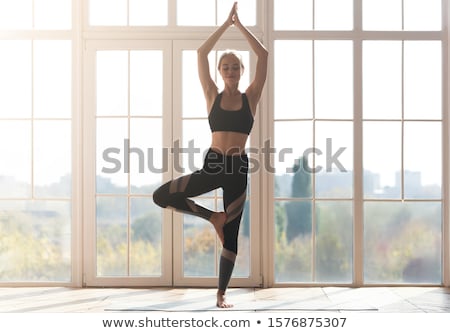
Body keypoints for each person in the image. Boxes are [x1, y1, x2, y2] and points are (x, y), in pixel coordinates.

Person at [153, 2, 268, 308]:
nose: (230, 70)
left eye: (235, 66)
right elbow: (201, 54)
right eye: (226, 67)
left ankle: (221, 295)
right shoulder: (211, 95)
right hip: (213, 164)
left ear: (242, 72)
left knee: (232, 237)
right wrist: (225, 25)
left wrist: (240, 26)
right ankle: (211, 217)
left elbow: (264, 56)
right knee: (162, 196)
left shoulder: (251, 97)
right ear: (220, 72)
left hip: (238, 168)